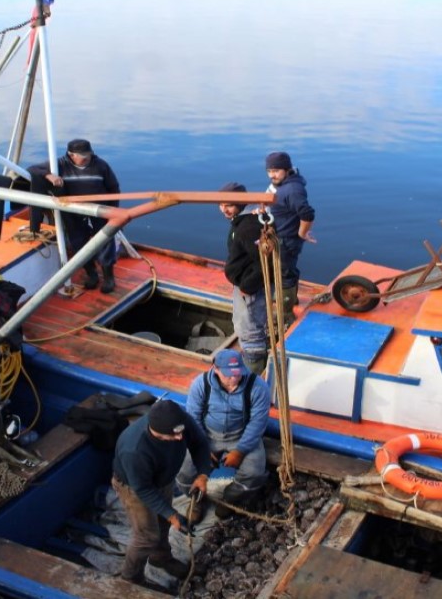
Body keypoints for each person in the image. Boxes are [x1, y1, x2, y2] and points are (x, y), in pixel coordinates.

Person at [112, 398, 212, 585]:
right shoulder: (134, 450)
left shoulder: (179, 423)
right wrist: (170, 513)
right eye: (173, 437)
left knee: (163, 524)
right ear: (156, 432)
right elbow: (142, 489)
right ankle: (129, 579)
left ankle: (161, 558)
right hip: (135, 488)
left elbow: (199, 443)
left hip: (163, 480)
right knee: (146, 537)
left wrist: (203, 473)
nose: (180, 439)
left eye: (181, 433)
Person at [176, 349, 271, 521]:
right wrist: (202, 448)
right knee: (184, 472)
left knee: (254, 473)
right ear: (216, 369)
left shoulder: (258, 387)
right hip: (206, 435)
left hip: (242, 435)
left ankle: (229, 499)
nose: (234, 379)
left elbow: (258, 423)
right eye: (229, 375)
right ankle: (197, 499)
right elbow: (193, 419)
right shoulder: (200, 384)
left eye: (238, 374)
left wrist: (240, 451)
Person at [28, 139, 122, 293]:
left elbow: (114, 187)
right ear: (71, 155)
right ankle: (91, 274)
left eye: (88, 154)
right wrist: (48, 175)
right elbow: (32, 169)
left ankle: (109, 277)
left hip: (99, 209)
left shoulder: (101, 165)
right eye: (82, 156)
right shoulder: (60, 164)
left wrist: (114, 211)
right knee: (78, 241)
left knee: (105, 240)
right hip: (74, 209)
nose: (87, 158)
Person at [217, 182, 269, 375]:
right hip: (243, 284)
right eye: (221, 205)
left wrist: (247, 286)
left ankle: (254, 369)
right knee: (243, 324)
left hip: (249, 288)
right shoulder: (245, 221)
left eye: (229, 205)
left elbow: (265, 263)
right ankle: (253, 359)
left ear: (240, 204)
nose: (224, 210)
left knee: (249, 330)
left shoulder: (248, 227)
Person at [263, 151, 315, 320]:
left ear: (286, 169)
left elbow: (307, 214)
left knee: (285, 274)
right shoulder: (284, 184)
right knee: (286, 270)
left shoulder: (292, 190)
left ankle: (286, 313)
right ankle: (291, 298)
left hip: (286, 240)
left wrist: (302, 233)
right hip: (280, 236)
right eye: (269, 171)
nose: (272, 175)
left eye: (276, 171)